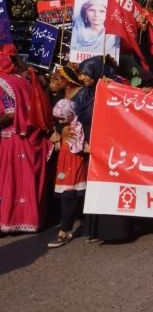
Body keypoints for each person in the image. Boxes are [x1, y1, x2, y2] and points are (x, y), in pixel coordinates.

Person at [76, 57, 133, 243]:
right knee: (97, 183)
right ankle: (95, 230)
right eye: (82, 73)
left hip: (113, 145)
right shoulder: (84, 93)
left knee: (112, 183)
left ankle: (116, 232)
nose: (82, 77)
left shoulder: (115, 85)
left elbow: (130, 105)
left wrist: (111, 88)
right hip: (92, 143)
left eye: (86, 72)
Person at [0, 54, 49, 233]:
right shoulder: (20, 79)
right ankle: (29, 220)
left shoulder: (3, 83)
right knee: (25, 180)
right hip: (29, 137)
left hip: (13, 139)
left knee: (11, 180)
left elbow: (11, 113)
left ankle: (10, 221)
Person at [47, 99, 88, 248]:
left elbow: (78, 147)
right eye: (58, 118)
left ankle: (64, 231)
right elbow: (58, 146)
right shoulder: (63, 127)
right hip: (64, 164)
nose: (60, 121)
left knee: (70, 195)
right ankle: (80, 225)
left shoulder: (78, 127)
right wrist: (55, 139)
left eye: (63, 117)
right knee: (72, 195)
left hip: (76, 163)